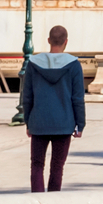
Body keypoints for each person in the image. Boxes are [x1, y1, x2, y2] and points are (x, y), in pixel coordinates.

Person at [20, 25, 86, 191]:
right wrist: (80, 124)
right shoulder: (73, 65)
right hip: (64, 124)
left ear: (48, 41)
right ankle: (53, 200)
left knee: (36, 164)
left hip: (39, 122)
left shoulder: (33, 64)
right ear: (66, 42)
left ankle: (37, 199)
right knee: (57, 166)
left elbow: (27, 97)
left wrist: (28, 122)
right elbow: (78, 98)